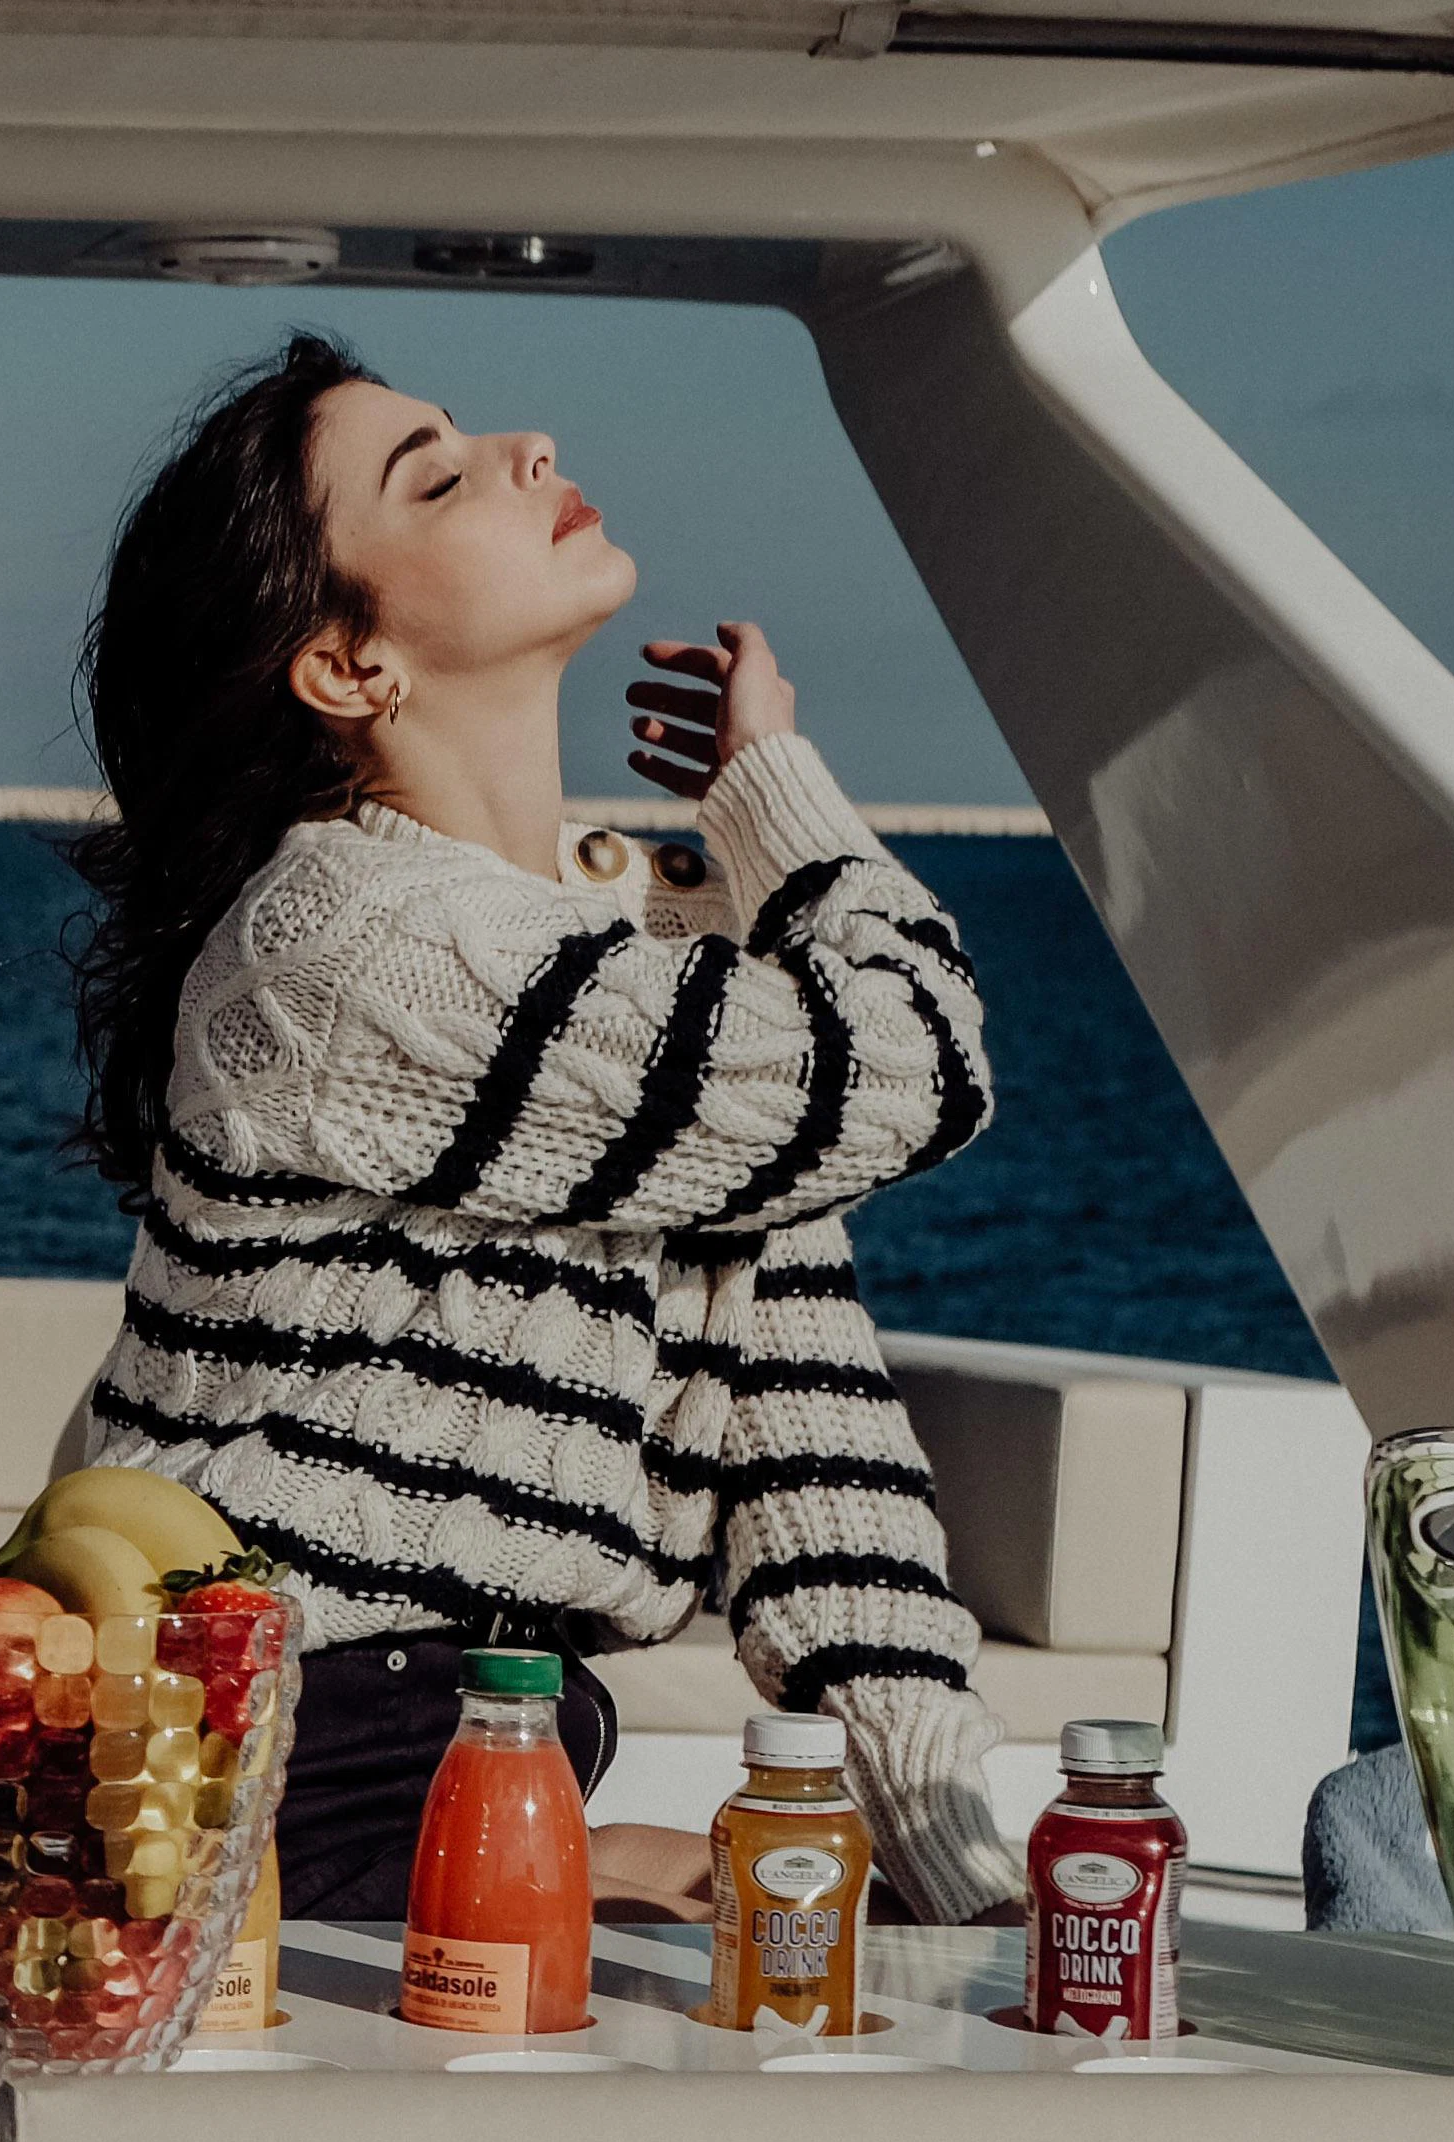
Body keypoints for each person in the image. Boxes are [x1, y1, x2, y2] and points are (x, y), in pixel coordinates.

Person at [62, 331, 1023, 1930]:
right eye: (434, 476)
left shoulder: (664, 975)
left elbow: (816, 1453)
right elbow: (915, 1058)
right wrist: (778, 798)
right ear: (349, 667)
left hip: (491, 1752)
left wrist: (963, 1879)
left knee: (818, 1941)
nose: (526, 445)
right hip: (268, 1763)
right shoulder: (339, 944)